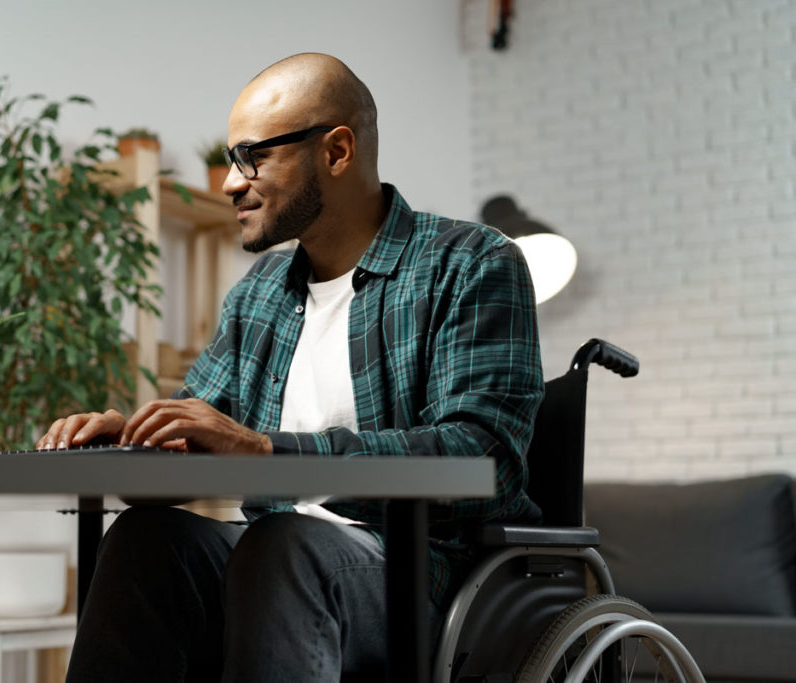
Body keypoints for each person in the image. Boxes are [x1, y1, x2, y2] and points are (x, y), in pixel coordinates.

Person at [37, 52, 544, 683]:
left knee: (280, 546)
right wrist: (132, 443)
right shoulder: (260, 293)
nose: (229, 182)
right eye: (229, 160)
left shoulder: (470, 262)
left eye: (253, 157)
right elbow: (200, 437)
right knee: (145, 540)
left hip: (424, 575)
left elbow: (484, 457)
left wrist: (265, 451)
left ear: (336, 152)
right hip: (274, 567)